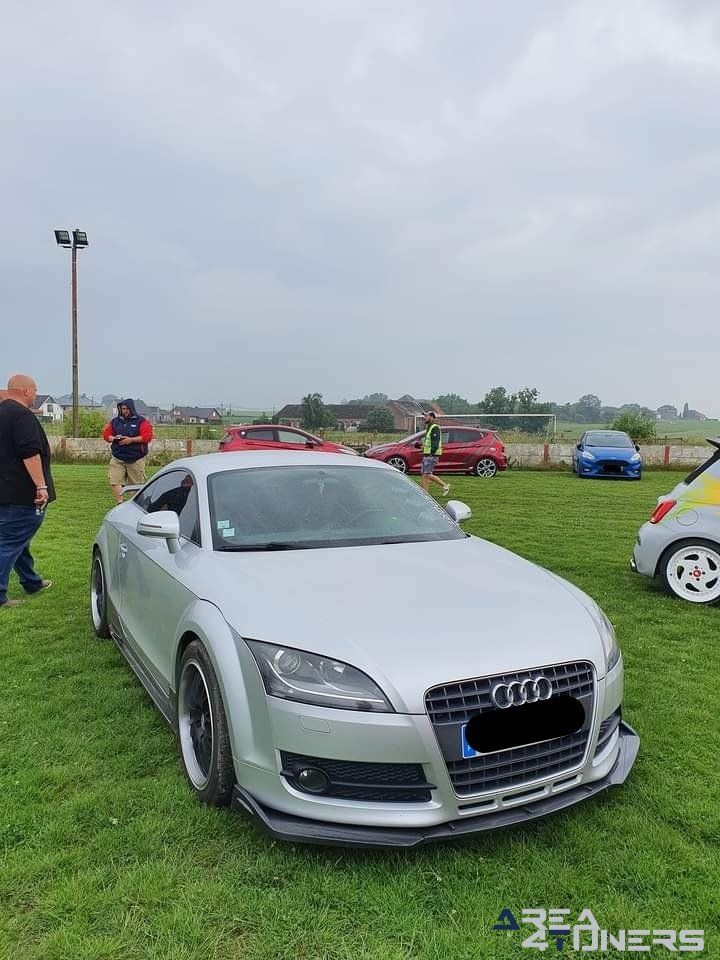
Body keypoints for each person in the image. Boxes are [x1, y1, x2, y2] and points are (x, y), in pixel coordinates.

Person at [0, 374, 54, 609]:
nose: (35, 395)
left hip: (5, 490)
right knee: (10, 541)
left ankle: (31, 581)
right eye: (34, 391)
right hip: (23, 493)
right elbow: (29, 453)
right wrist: (41, 487)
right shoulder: (21, 416)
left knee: (17, 538)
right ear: (24, 390)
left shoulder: (2, 412)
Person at [102, 399, 154, 504]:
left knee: (135, 485)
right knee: (114, 480)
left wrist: (131, 440)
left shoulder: (141, 421)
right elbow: (106, 434)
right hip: (118, 458)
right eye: (122, 409)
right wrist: (114, 438)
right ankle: (120, 502)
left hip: (135, 459)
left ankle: (136, 504)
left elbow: (147, 436)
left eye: (126, 409)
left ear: (131, 408)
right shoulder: (115, 422)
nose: (124, 411)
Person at [420, 411, 450, 496]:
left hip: (431, 455)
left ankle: (444, 486)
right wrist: (420, 446)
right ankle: (425, 493)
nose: (424, 417)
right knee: (424, 474)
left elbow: (435, 443)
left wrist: (431, 454)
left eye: (426, 416)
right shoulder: (429, 428)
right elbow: (428, 443)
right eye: (424, 416)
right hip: (427, 455)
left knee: (427, 474)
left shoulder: (434, 427)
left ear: (432, 417)